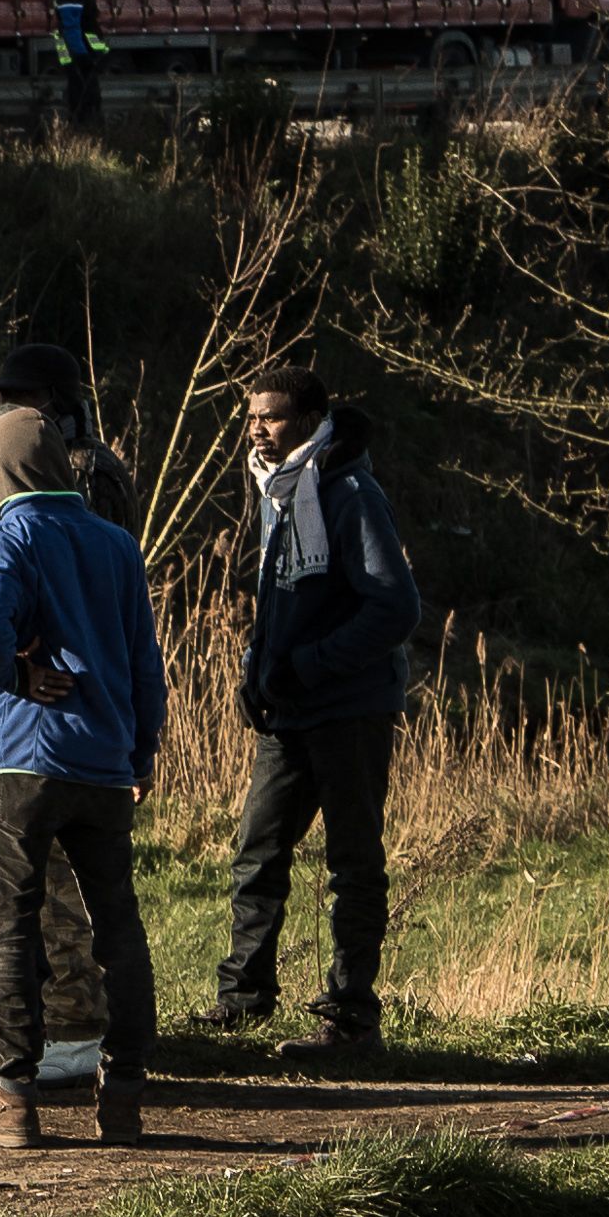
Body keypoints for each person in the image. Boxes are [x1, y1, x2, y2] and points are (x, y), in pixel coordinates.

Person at [183, 364, 421, 1058]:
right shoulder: (277, 490)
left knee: (352, 864)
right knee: (258, 851)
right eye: (251, 415)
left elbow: (396, 606)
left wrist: (310, 666)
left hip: (348, 710)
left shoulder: (348, 491)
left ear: (314, 417)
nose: (256, 427)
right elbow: (281, 598)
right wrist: (257, 673)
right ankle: (244, 1000)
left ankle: (351, 1019)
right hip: (287, 713)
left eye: (272, 416)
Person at [0, 409, 169, 1149]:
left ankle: (11, 1097)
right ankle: (126, 1095)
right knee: (119, 924)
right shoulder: (117, 544)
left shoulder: (8, 534)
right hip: (107, 761)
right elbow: (146, 659)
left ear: (2, 468)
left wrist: (16, 669)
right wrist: (142, 750)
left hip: (24, 759)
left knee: (13, 925)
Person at [0, 357, 120, 1089]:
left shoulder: (39, 514)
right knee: (109, 912)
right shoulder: (80, 512)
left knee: (32, 903)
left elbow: (5, 624)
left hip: (41, 732)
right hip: (99, 736)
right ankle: (112, 1063)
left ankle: (56, 1038)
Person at [51, 0, 110, 132]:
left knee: (87, 96)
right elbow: (72, 27)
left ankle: (84, 133)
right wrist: (83, 57)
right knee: (84, 97)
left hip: (83, 54)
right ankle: (83, 133)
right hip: (78, 55)